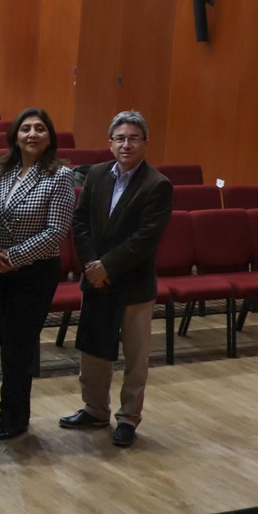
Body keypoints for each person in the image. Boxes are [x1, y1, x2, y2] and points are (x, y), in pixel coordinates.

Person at [63, 110, 172, 448]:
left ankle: (128, 418)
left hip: (132, 285)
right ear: (110, 143)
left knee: (135, 358)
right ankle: (95, 409)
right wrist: (91, 266)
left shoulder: (157, 185)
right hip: (96, 281)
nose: (127, 144)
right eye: (120, 138)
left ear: (144, 143)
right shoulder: (95, 175)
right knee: (93, 351)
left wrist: (105, 266)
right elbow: (79, 223)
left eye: (134, 138)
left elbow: (145, 238)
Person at [0, 107, 78, 442]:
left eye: (40, 129)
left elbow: (56, 231)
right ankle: (7, 408)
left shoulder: (59, 176)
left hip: (35, 271)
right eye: (26, 129)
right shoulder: (0, 170)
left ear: (49, 137)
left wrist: (14, 256)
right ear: (15, 136)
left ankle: (16, 418)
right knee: (7, 341)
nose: (32, 134)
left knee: (20, 345)